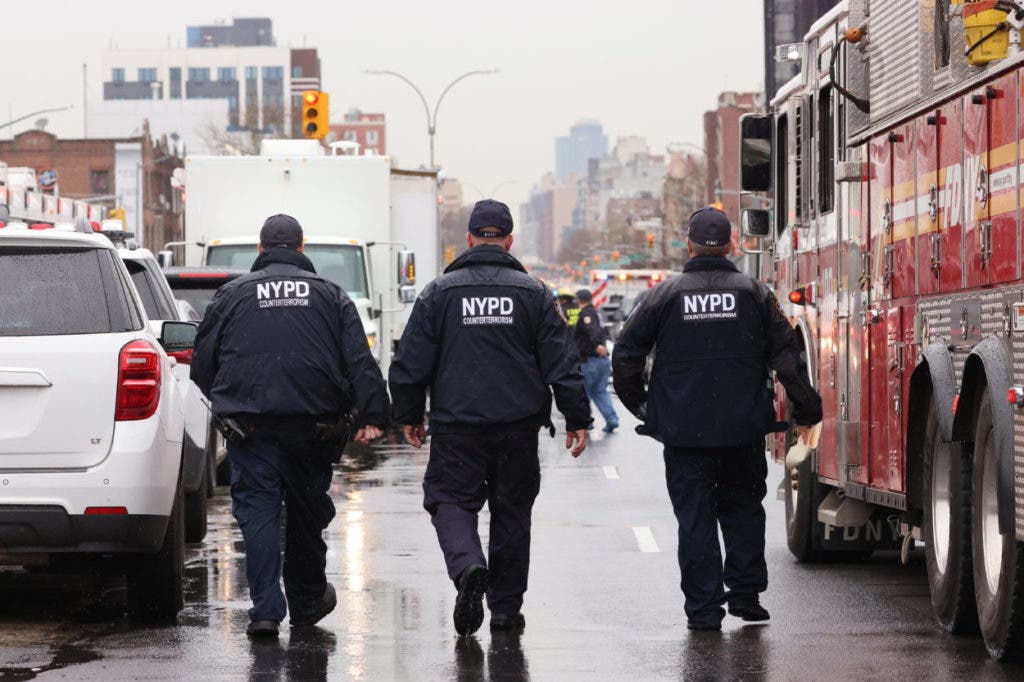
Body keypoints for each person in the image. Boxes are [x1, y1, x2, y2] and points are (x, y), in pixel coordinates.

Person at [612, 207, 822, 631]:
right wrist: (807, 408)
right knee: (744, 511)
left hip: (685, 435)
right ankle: (745, 595)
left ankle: (704, 609)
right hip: (742, 430)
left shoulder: (664, 295)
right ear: (729, 245)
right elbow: (787, 356)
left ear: (688, 244)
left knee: (695, 520)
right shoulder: (754, 293)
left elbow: (625, 355)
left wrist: (644, 408)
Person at [389, 199, 592, 636]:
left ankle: (467, 568)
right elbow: (562, 362)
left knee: (449, 500)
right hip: (517, 428)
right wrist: (578, 419)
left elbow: (410, 362)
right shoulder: (535, 293)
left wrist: (408, 415)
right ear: (509, 240)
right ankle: (504, 609)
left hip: (457, 426)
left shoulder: (438, 294)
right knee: (513, 514)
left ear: (468, 239)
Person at [192, 214, 389, 639]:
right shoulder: (331, 296)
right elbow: (359, 362)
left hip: (252, 430)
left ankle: (265, 611)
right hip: (312, 430)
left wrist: (231, 405)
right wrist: (374, 414)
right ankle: (306, 600)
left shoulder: (231, 296)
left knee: (259, 515)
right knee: (305, 515)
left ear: (260, 251)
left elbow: (201, 367)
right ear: (303, 249)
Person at [574, 288, 620, 434]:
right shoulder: (598, 313)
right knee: (600, 391)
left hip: (590, 360)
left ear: (579, 299)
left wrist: (597, 346)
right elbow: (603, 332)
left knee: (584, 392)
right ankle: (612, 420)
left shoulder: (586, 313)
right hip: (602, 361)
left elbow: (591, 331)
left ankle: (586, 422)